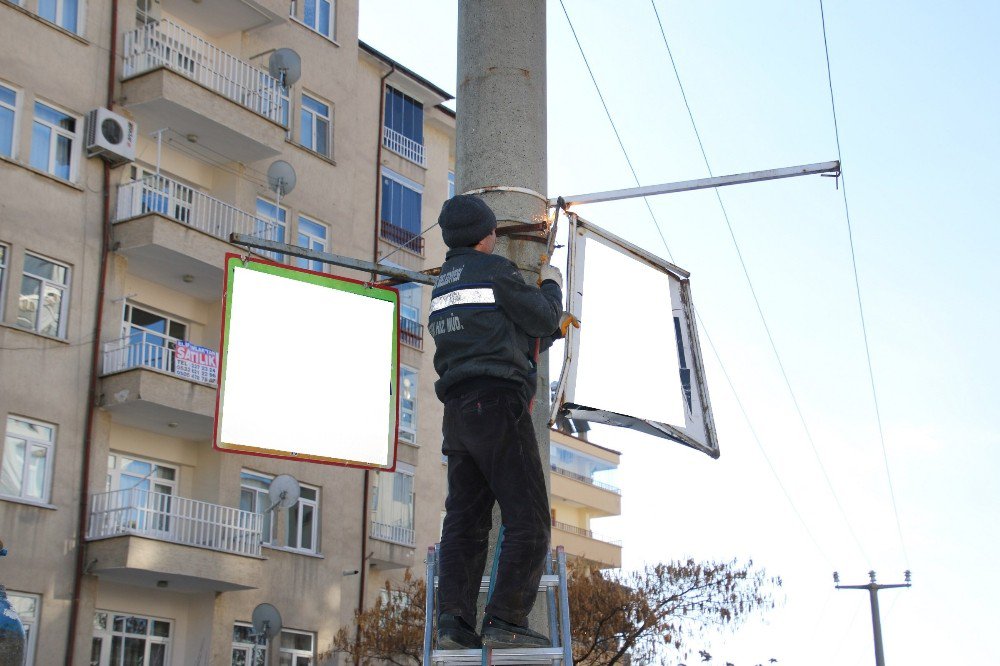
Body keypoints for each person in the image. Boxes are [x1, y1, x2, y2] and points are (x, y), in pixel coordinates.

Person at [429, 194, 564, 650]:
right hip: (496, 405)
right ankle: (505, 619)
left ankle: (453, 622)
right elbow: (545, 318)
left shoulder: (441, 287)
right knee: (528, 520)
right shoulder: (494, 272)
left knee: (465, 522)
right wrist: (551, 284)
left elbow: (496, 333)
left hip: (458, 414)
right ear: (488, 236)